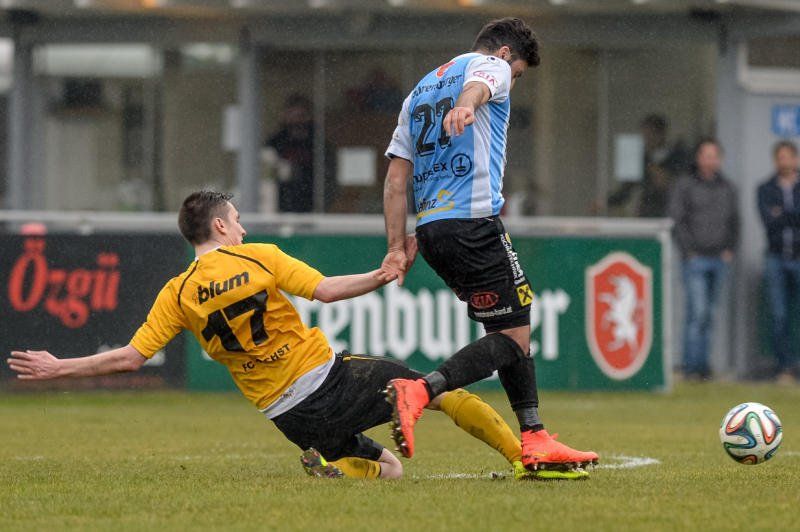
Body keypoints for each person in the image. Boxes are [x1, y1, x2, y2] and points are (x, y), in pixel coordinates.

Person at [7, 190, 571, 481]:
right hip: (328, 381)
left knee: (390, 470)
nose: (243, 227)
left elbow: (130, 358)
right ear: (220, 226)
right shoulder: (257, 256)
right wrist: (382, 273)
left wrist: (59, 368)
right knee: (435, 391)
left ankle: (333, 465)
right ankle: (523, 456)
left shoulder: (177, 293)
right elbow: (325, 290)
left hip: (288, 418)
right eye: (236, 219)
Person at [380, 17, 598, 474]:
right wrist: (466, 104)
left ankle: (535, 437)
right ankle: (420, 390)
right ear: (504, 54)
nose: (511, 83)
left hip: (432, 231)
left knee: (509, 331)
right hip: (474, 223)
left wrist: (396, 246)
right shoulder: (490, 66)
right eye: (517, 74)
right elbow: (480, 86)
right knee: (514, 338)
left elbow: (396, 181)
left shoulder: (418, 92)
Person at [668, 139, 739, 380]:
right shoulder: (686, 185)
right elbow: (677, 219)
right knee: (697, 312)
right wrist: (688, 250)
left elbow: (735, 221)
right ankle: (691, 367)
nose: (710, 160)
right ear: (698, 158)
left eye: (714, 156)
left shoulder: (727, 187)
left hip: (719, 258)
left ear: (720, 159)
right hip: (695, 258)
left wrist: (730, 249)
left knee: (709, 314)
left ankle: (703, 367)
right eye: (706, 155)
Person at [757, 140, 800, 384]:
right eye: (780, 157)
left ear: (796, 159)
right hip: (776, 257)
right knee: (779, 314)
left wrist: (782, 213)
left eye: (787, 157)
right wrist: (792, 215)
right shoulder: (766, 189)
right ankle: (784, 367)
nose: (784, 161)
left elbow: (780, 218)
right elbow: (769, 223)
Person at [607, 114, 689, 217]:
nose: (646, 139)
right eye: (644, 135)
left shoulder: (677, 156)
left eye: (650, 134)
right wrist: (607, 202)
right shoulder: (642, 159)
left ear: (661, 134)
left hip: (670, 213)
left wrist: (650, 164)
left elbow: (668, 183)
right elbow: (626, 189)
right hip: (647, 213)